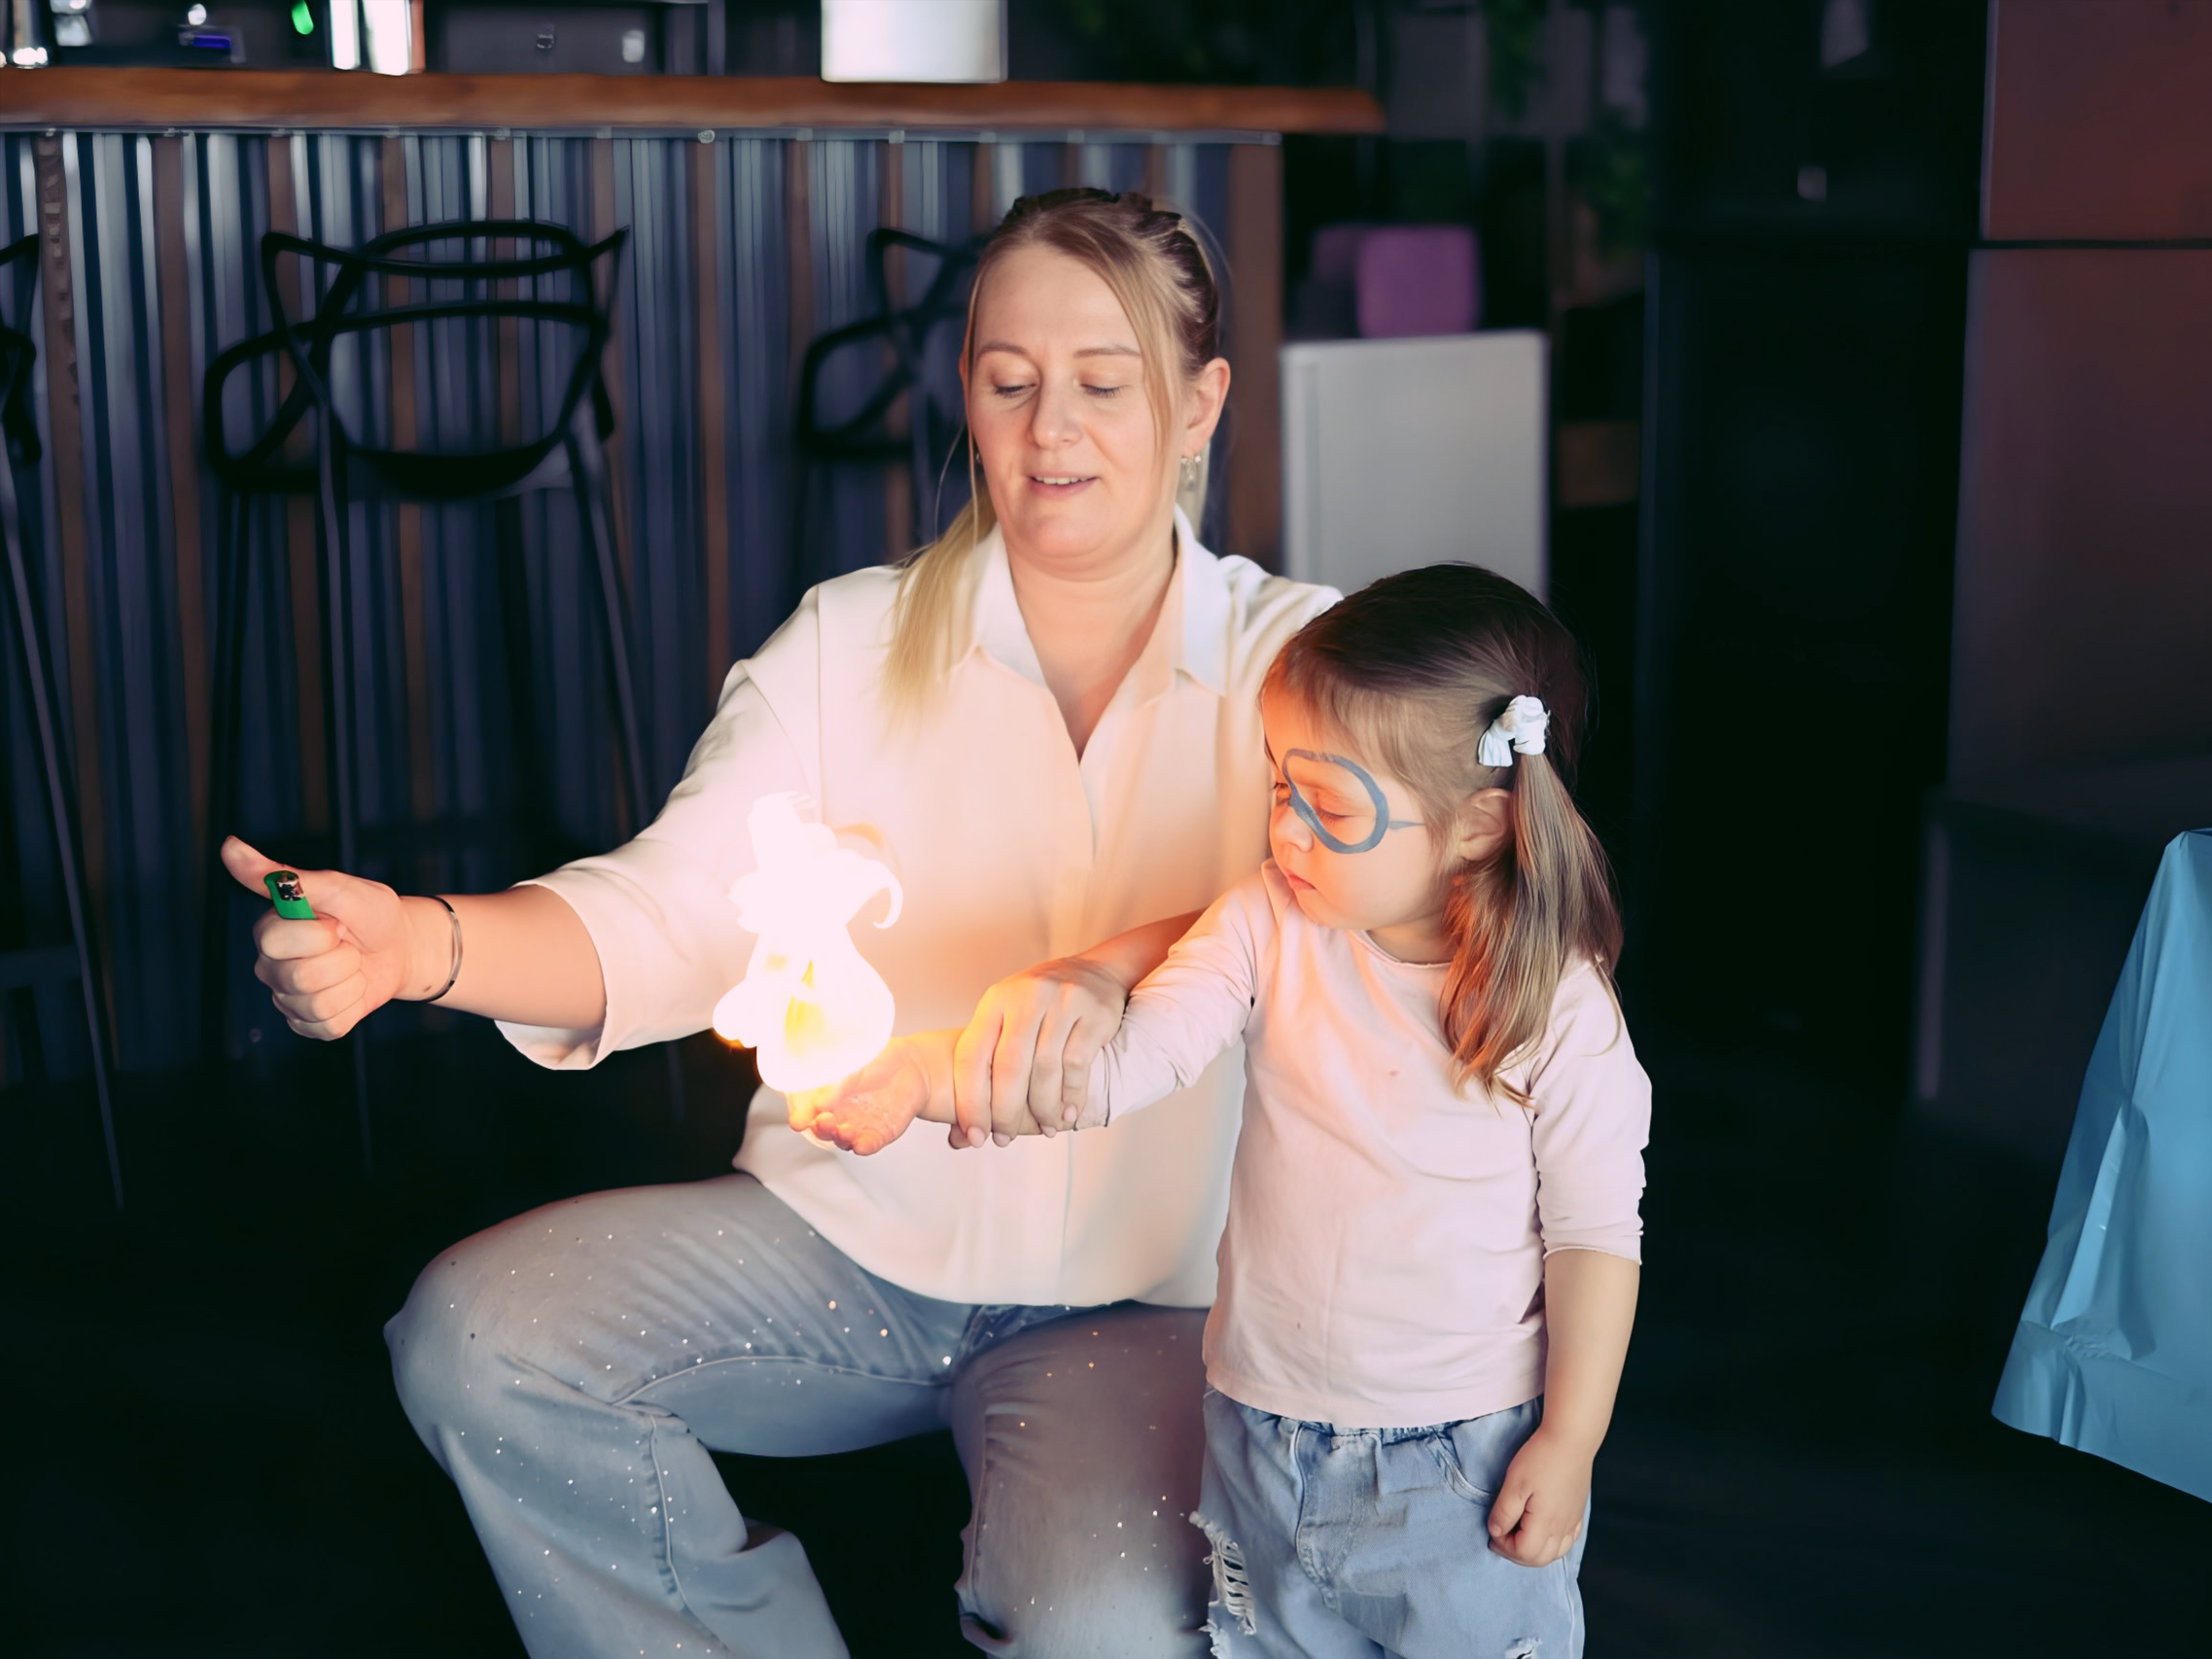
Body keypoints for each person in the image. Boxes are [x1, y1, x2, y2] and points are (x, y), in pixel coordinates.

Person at [222, 187, 1337, 1659]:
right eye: (1009, 383)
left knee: (1102, 1628)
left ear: (1201, 405)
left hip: (1146, 1303)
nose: (1049, 428)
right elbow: (669, 912)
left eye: (1102, 383)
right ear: (969, 399)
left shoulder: (1306, 664)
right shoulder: (848, 644)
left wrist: (1117, 965)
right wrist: (424, 943)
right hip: (843, 1251)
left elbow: (1413, 891)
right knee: (476, 1339)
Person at [810, 565, 1650, 1658]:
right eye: (1277, 786)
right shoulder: (1267, 923)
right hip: (1256, 1439)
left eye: (1332, 806)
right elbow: (1128, 1059)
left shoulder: (1556, 1009)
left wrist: (1571, 1436)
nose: (1287, 830)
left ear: (1477, 827)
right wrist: (931, 1075)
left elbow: (1595, 1237)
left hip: (1456, 1463)